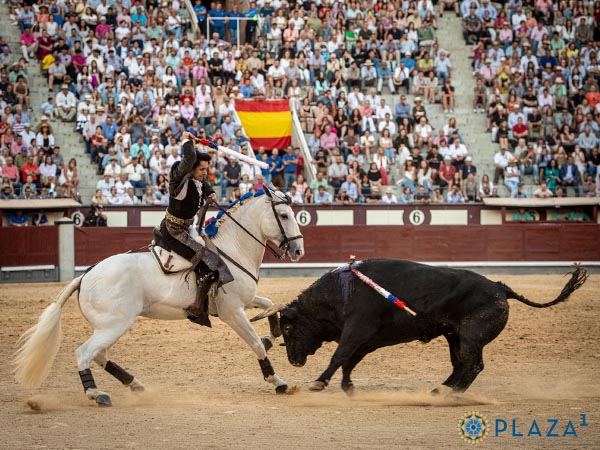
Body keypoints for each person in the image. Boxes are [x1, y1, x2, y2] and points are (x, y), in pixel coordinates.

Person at [159, 133, 232, 327]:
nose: (205, 173)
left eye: (207, 169)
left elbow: (203, 184)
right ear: (190, 169)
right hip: (174, 230)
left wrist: (210, 192)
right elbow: (190, 158)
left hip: (187, 226)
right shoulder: (179, 177)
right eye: (202, 169)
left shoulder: (197, 179)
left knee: (214, 253)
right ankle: (197, 306)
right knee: (205, 260)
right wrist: (185, 140)